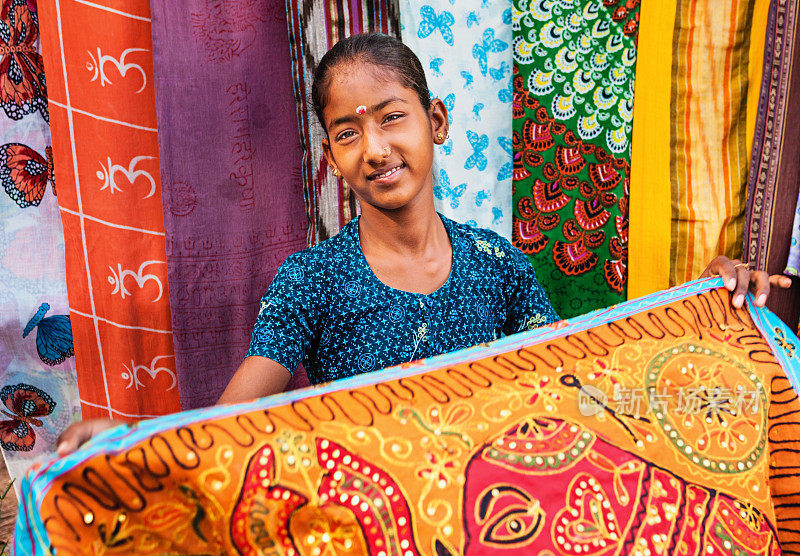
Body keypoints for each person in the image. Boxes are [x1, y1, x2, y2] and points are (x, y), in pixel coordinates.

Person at [57, 33, 791, 457]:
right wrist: (128, 441)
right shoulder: (311, 278)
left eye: (391, 118)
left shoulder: (496, 266)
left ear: (435, 121)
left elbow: (581, 371)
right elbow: (231, 420)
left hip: (498, 520)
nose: (374, 148)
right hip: (365, 534)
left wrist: (701, 301)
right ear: (330, 154)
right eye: (347, 132)